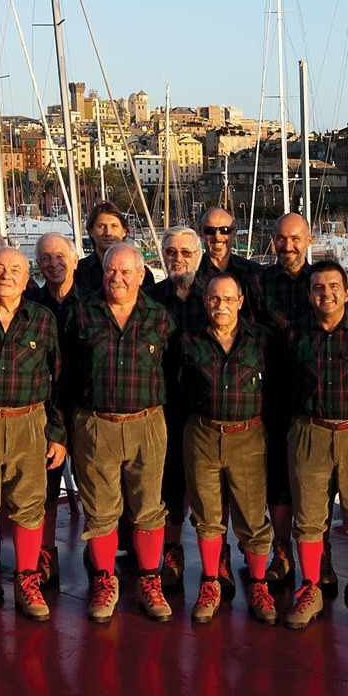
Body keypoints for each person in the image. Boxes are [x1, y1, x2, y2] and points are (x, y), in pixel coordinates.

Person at [59, 243, 175, 622]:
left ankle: (148, 579)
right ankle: (104, 579)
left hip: (147, 423)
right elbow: (64, 376)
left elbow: (174, 371)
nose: (118, 278)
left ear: (142, 275)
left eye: (127, 272)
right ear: (102, 272)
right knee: (100, 511)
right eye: (111, 271)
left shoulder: (161, 318)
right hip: (95, 424)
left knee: (148, 507)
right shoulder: (79, 314)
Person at [278, 258, 348, 630]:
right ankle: (310, 588)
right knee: (308, 518)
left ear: (347, 291)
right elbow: (283, 386)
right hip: (310, 431)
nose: (326, 294)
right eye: (318, 288)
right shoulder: (293, 335)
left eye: (333, 287)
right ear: (309, 294)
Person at [0, 246, 66, 623]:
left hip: (29, 422)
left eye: (15, 270)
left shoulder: (42, 320)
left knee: (28, 505)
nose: (6, 275)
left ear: (27, 279)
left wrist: (57, 432)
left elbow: (58, 379)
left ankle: (27, 579)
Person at [178, 271, 276, 623]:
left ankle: (259, 583)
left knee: (251, 517)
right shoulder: (189, 341)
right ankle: (210, 581)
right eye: (214, 299)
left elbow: (276, 388)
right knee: (207, 516)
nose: (221, 305)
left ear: (240, 301)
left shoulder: (262, 340)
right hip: (202, 433)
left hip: (248, 435)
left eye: (228, 299)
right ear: (205, 302)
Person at [250, 213, 315, 585]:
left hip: (313, 394)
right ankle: (282, 549)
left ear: (307, 240)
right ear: (272, 240)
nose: (287, 246)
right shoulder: (258, 284)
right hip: (270, 394)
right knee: (276, 477)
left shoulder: (321, 281)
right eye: (280, 238)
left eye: (294, 239)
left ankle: (314, 552)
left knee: (312, 479)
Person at [144, 227, 209, 587]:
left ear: (198, 255)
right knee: (167, 482)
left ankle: (219, 558)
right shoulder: (150, 298)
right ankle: (172, 551)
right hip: (163, 402)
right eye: (171, 252)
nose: (178, 258)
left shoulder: (212, 297)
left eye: (185, 252)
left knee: (209, 485)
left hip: (203, 405)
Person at [23, 231, 79, 583]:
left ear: (74, 260)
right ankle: (45, 554)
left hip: (87, 404)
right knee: (44, 485)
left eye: (61, 256)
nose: (54, 263)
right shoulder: (31, 304)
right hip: (47, 406)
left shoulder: (91, 302)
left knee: (105, 486)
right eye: (46, 257)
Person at [73, 203, 155, 293]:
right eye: (101, 226)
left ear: (124, 231)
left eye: (114, 226)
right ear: (91, 231)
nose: (108, 233)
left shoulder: (140, 273)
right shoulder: (78, 272)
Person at [198, 206, 260, 292]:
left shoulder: (254, 272)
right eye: (209, 230)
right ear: (200, 233)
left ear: (234, 233)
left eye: (225, 230)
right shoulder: (192, 272)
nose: (217, 237)